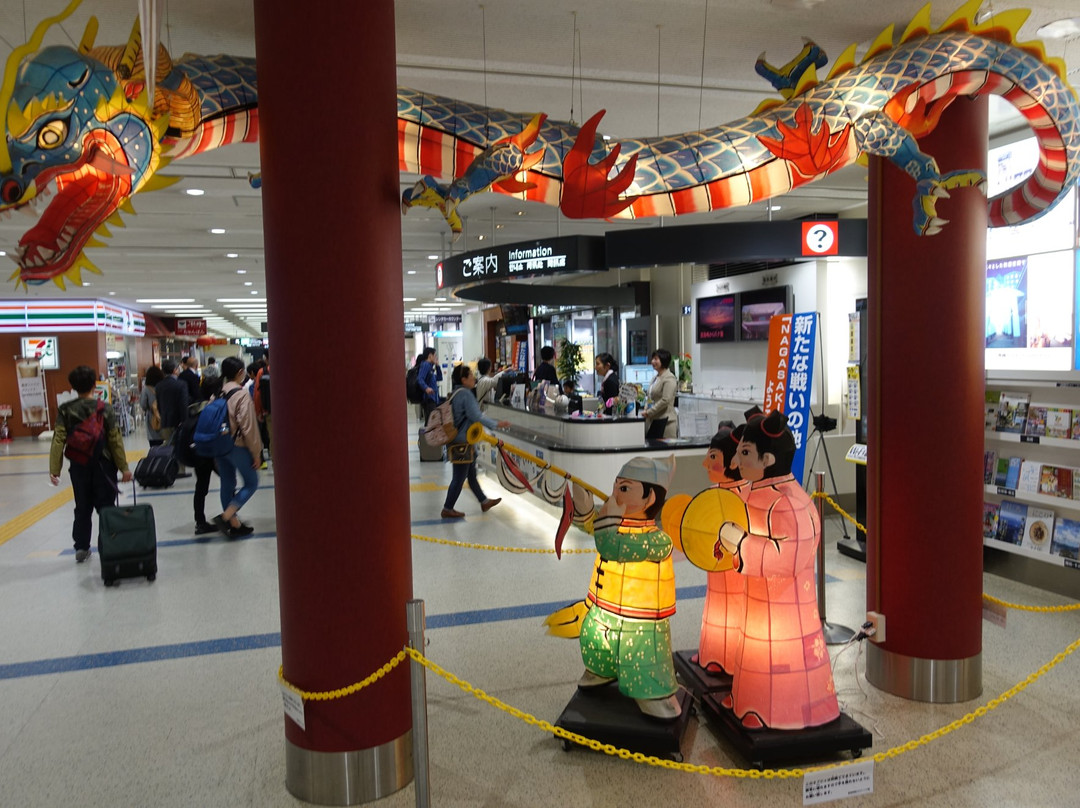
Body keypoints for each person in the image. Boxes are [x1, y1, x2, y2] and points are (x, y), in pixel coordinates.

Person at [714, 409, 839, 730]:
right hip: (755, 600)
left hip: (785, 605)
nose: (737, 461)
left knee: (779, 658)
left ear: (768, 459)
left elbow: (787, 557)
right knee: (753, 648)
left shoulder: (791, 503)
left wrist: (740, 544)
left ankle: (781, 711)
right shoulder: (750, 492)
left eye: (745, 453)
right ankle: (747, 699)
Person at [577, 455, 681, 719]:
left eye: (624, 489)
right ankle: (601, 671)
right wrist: (584, 507)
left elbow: (611, 545)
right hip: (602, 609)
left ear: (650, 499)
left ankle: (650, 694)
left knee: (641, 658)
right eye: (615, 487)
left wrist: (604, 519)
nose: (615, 494)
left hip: (641, 622)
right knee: (594, 641)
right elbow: (592, 527)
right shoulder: (614, 524)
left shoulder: (658, 540)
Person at [49, 365, 133, 563]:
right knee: (106, 506)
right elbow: (114, 440)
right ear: (95, 385)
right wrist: (124, 467)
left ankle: (81, 548)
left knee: (82, 507)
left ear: (73, 387)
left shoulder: (65, 410)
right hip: (104, 465)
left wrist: (55, 469)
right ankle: (107, 545)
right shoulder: (105, 409)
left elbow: (58, 439)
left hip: (79, 465)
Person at [694, 420, 747, 675]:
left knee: (734, 607)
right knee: (716, 605)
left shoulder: (743, 495)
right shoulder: (716, 491)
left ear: (732, 462)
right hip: (716, 566)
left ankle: (732, 657)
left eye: (712, 457)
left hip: (735, 566)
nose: (706, 463)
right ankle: (713, 652)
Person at [441, 364, 511, 519]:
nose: (474, 378)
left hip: (459, 440)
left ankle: (483, 501)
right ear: (463, 379)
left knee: (471, 474)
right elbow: (476, 416)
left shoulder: (455, 393)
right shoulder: (465, 394)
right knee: (459, 477)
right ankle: (447, 508)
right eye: (470, 375)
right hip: (462, 443)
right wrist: (497, 424)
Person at [212, 356, 263, 539]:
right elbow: (248, 428)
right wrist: (256, 453)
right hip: (237, 446)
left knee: (227, 482)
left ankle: (234, 524)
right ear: (240, 373)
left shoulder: (217, 393)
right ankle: (227, 517)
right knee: (251, 483)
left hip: (219, 446)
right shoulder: (241, 395)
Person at [191, 363, 223, 535]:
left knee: (200, 487)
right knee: (228, 480)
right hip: (212, 452)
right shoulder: (215, 406)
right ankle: (230, 517)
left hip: (198, 450)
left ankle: (200, 521)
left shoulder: (195, 406)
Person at [155, 359, 190, 477]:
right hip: (178, 421)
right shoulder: (181, 384)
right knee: (180, 445)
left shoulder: (159, 385)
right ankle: (180, 470)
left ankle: (168, 468)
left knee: (169, 445)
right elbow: (183, 404)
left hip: (165, 421)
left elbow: (159, 405)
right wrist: (185, 421)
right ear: (175, 370)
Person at [644, 348, 678, 439]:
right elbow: (650, 397)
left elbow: (665, 400)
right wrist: (646, 409)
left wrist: (649, 412)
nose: (652, 362)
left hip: (666, 422)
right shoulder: (655, 378)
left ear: (663, 360)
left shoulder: (669, 378)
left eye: (656, 359)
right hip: (654, 420)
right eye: (653, 359)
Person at [140, 365, 165, 447]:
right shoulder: (164, 386)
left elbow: (143, 405)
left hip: (152, 418)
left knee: (154, 444)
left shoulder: (146, 389)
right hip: (165, 416)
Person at [417, 347, 439, 422]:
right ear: (430, 356)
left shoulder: (430, 367)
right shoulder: (426, 365)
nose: (436, 357)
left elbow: (439, 378)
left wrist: (438, 366)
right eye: (434, 355)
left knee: (431, 422)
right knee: (431, 422)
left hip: (433, 398)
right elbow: (420, 378)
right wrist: (426, 388)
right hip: (428, 398)